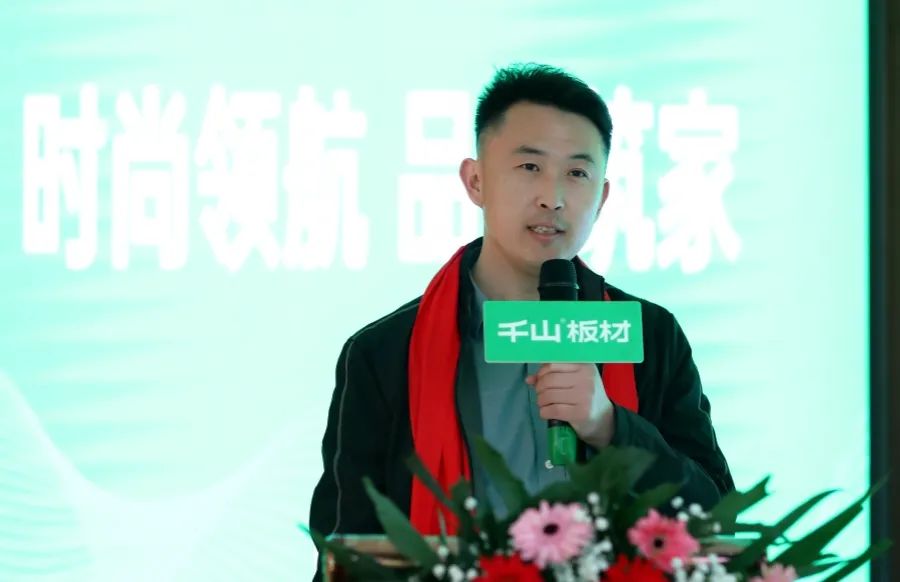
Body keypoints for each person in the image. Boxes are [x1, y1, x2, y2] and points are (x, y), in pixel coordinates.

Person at [308, 63, 733, 578]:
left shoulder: (649, 335)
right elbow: (346, 549)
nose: (553, 197)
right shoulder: (385, 353)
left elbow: (717, 522)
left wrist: (611, 427)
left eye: (577, 173)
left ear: (601, 197)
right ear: (476, 180)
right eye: (530, 167)